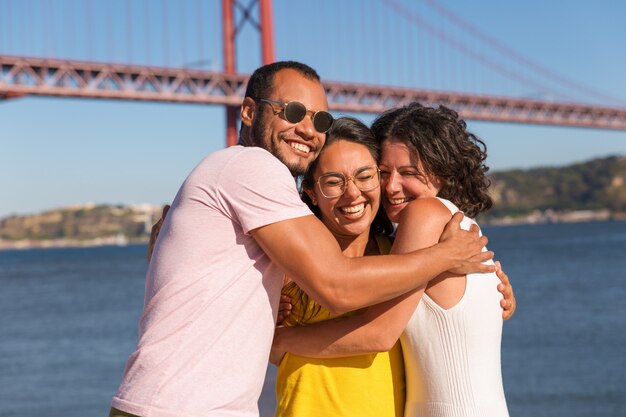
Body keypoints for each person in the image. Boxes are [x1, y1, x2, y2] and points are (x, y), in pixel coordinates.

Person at [109, 61, 497, 417]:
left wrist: (487, 286)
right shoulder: (253, 166)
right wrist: (446, 256)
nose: (309, 130)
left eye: (320, 119)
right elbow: (338, 286)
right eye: (292, 112)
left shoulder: (360, 249)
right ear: (248, 111)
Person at [272, 103, 512, 417]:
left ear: (441, 172)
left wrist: (279, 340)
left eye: (409, 173)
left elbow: (380, 333)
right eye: (383, 173)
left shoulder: (425, 215)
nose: (391, 186)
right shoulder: (448, 234)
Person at [275, 117, 406, 417]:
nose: (352, 194)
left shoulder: (400, 256)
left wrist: (500, 294)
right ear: (310, 191)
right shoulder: (285, 264)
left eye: (365, 176)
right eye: (333, 182)